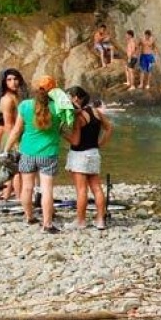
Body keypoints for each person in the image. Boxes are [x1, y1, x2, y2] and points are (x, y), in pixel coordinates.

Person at [2, 75, 64, 233]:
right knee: (47, 189)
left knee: (27, 187)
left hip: (27, 151)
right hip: (48, 153)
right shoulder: (58, 107)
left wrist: (6, 149)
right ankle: (47, 224)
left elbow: (16, 131)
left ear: (35, 89)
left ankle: (29, 217)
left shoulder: (25, 105)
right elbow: (66, 127)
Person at [65, 86, 113, 230]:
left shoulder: (78, 117)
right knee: (97, 188)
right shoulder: (96, 111)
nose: (66, 100)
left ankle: (80, 221)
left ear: (75, 98)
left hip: (79, 155)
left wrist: (62, 133)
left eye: (68, 97)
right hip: (94, 153)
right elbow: (109, 127)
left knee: (81, 190)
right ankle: (100, 220)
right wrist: (101, 143)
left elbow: (75, 141)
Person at [0, 68, 28, 200]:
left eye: (15, 79)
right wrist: (15, 143)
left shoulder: (16, 96)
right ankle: (20, 199)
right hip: (11, 136)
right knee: (18, 171)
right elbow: (8, 125)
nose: (13, 82)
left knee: (9, 170)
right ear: (4, 82)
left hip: (16, 135)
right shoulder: (7, 100)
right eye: (9, 80)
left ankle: (7, 195)